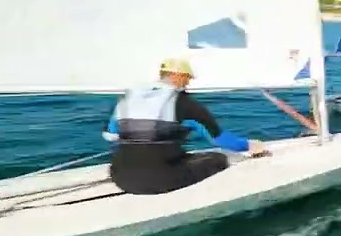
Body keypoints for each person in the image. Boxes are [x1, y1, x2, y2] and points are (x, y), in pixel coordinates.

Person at [101, 57, 268, 195]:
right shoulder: (186, 103)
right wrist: (249, 145)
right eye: (187, 78)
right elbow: (220, 140)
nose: (187, 84)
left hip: (120, 176)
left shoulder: (127, 99)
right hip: (161, 180)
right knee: (218, 159)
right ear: (178, 77)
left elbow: (111, 136)